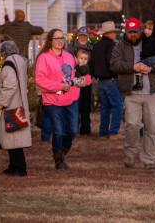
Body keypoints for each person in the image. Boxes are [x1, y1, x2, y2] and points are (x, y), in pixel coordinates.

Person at [110, 17, 155, 170]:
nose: (133, 35)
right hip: (132, 93)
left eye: (135, 32)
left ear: (140, 31)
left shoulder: (153, 41)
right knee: (132, 125)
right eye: (130, 32)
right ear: (126, 32)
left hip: (153, 92)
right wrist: (133, 67)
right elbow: (114, 64)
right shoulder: (120, 47)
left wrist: (152, 68)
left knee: (151, 127)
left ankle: (149, 160)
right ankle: (129, 155)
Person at [35, 29, 90, 170]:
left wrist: (86, 80)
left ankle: (62, 153)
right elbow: (40, 81)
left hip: (71, 100)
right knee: (58, 131)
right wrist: (60, 86)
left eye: (62, 38)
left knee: (72, 130)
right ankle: (58, 160)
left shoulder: (69, 57)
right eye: (57, 38)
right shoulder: (44, 58)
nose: (60, 40)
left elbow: (81, 72)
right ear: (50, 40)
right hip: (53, 101)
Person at [0, 40, 31, 176]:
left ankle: (20, 169)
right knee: (14, 138)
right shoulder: (19, 60)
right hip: (18, 104)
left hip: (11, 106)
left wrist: (1, 103)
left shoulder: (9, 64)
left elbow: (10, 85)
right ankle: (13, 166)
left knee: (13, 139)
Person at [89, 21, 123, 139]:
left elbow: (91, 64)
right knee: (117, 106)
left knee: (105, 108)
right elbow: (112, 63)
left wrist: (96, 75)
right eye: (113, 32)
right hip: (111, 80)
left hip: (101, 81)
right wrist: (117, 74)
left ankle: (103, 132)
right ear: (109, 33)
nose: (115, 34)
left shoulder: (96, 46)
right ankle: (114, 132)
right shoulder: (112, 46)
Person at [67, 27, 93, 135]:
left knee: (86, 106)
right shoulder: (71, 48)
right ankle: (74, 128)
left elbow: (92, 65)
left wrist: (88, 78)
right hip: (75, 82)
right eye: (81, 35)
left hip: (87, 81)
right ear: (78, 36)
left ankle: (86, 129)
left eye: (85, 36)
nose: (83, 38)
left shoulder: (91, 48)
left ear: (87, 37)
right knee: (76, 106)